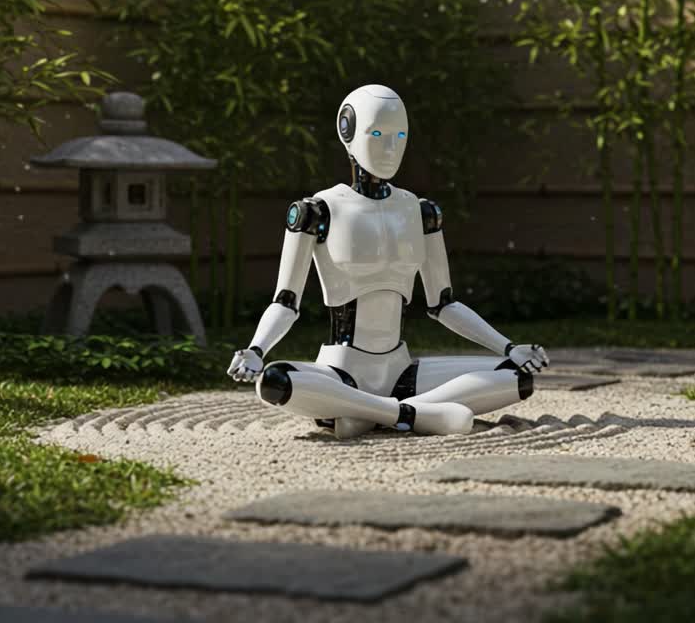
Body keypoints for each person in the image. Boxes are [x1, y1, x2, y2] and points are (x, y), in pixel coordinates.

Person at [227, 84, 548, 437]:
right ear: (346, 131)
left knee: (516, 377)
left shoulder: (421, 211)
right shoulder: (317, 211)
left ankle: (369, 414)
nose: (390, 147)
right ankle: (412, 416)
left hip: (402, 371)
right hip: (341, 371)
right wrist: (256, 349)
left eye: (399, 135)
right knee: (276, 380)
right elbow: (285, 302)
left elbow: (443, 304)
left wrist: (509, 346)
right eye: (377, 134)